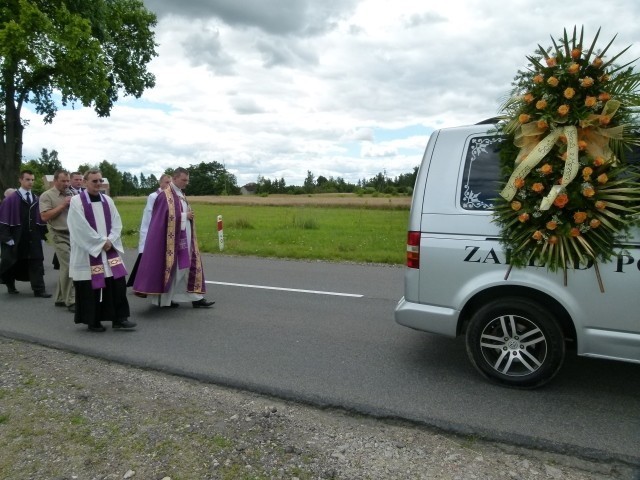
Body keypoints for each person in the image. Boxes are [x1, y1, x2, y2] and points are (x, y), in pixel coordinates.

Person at [133, 167, 214, 308]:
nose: (186, 183)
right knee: (173, 269)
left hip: (185, 238)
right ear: (175, 178)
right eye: (184, 180)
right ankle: (163, 300)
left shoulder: (180, 195)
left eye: (188, 180)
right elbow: (160, 220)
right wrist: (185, 216)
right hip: (170, 242)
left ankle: (196, 298)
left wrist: (188, 216)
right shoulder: (165, 196)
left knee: (186, 267)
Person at [67, 169, 136, 332]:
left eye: (100, 181)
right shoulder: (77, 202)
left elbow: (117, 222)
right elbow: (79, 227)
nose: (98, 184)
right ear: (85, 182)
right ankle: (93, 320)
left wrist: (110, 240)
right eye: (94, 181)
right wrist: (100, 243)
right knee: (92, 288)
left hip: (109, 249)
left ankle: (119, 319)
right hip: (88, 252)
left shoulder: (107, 200)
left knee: (117, 285)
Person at [0, 170, 51, 297]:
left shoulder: (36, 199)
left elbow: (40, 218)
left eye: (32, 180)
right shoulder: (10, 199)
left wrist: (42, 235)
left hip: (33, 235)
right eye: (28, 179)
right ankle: (10, 285)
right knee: (12, 261)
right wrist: (6, 237)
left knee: (36, 261)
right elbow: (3, 219)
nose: (30, 182)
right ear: (21, 180)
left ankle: (39, 289)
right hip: (16, 236)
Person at [126, 173, 171, 292]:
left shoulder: (170, 196)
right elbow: (151, 213)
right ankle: (140, 283)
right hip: (151, 229)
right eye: (166, 182)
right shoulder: (154, 196)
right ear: (160, 183)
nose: (168, 185)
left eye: (170, 183)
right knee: (145, 257)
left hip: (161, 230)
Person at [39, 169, 75, 312]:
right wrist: (63, 205)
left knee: (67, 266)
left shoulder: (72, 194)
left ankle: (60, 298)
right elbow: (45, 216)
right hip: (58, 234)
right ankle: (71, 300)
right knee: (70, 265)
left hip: (73, 235)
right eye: (63, 181)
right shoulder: (47, 196)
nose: (66, 184)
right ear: (55, 181)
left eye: (68, 181)